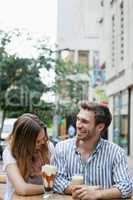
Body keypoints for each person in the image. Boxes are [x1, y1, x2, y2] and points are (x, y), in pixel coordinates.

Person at [53, 101, 133, 199]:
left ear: (100, 127)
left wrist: (98, 194)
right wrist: (84, 191)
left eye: (84, 121)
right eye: (78, 119)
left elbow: (126, 186)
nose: (78, 125)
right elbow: (56, 181)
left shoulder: (116, 152)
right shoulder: (61, 148)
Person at [3, 113, 54, 200]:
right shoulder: (9, 152)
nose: (42, 143)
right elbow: (22, 189)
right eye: (38, 141)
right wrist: (50, 188)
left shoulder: (47, 147)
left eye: (44, 138)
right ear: (24, 142)